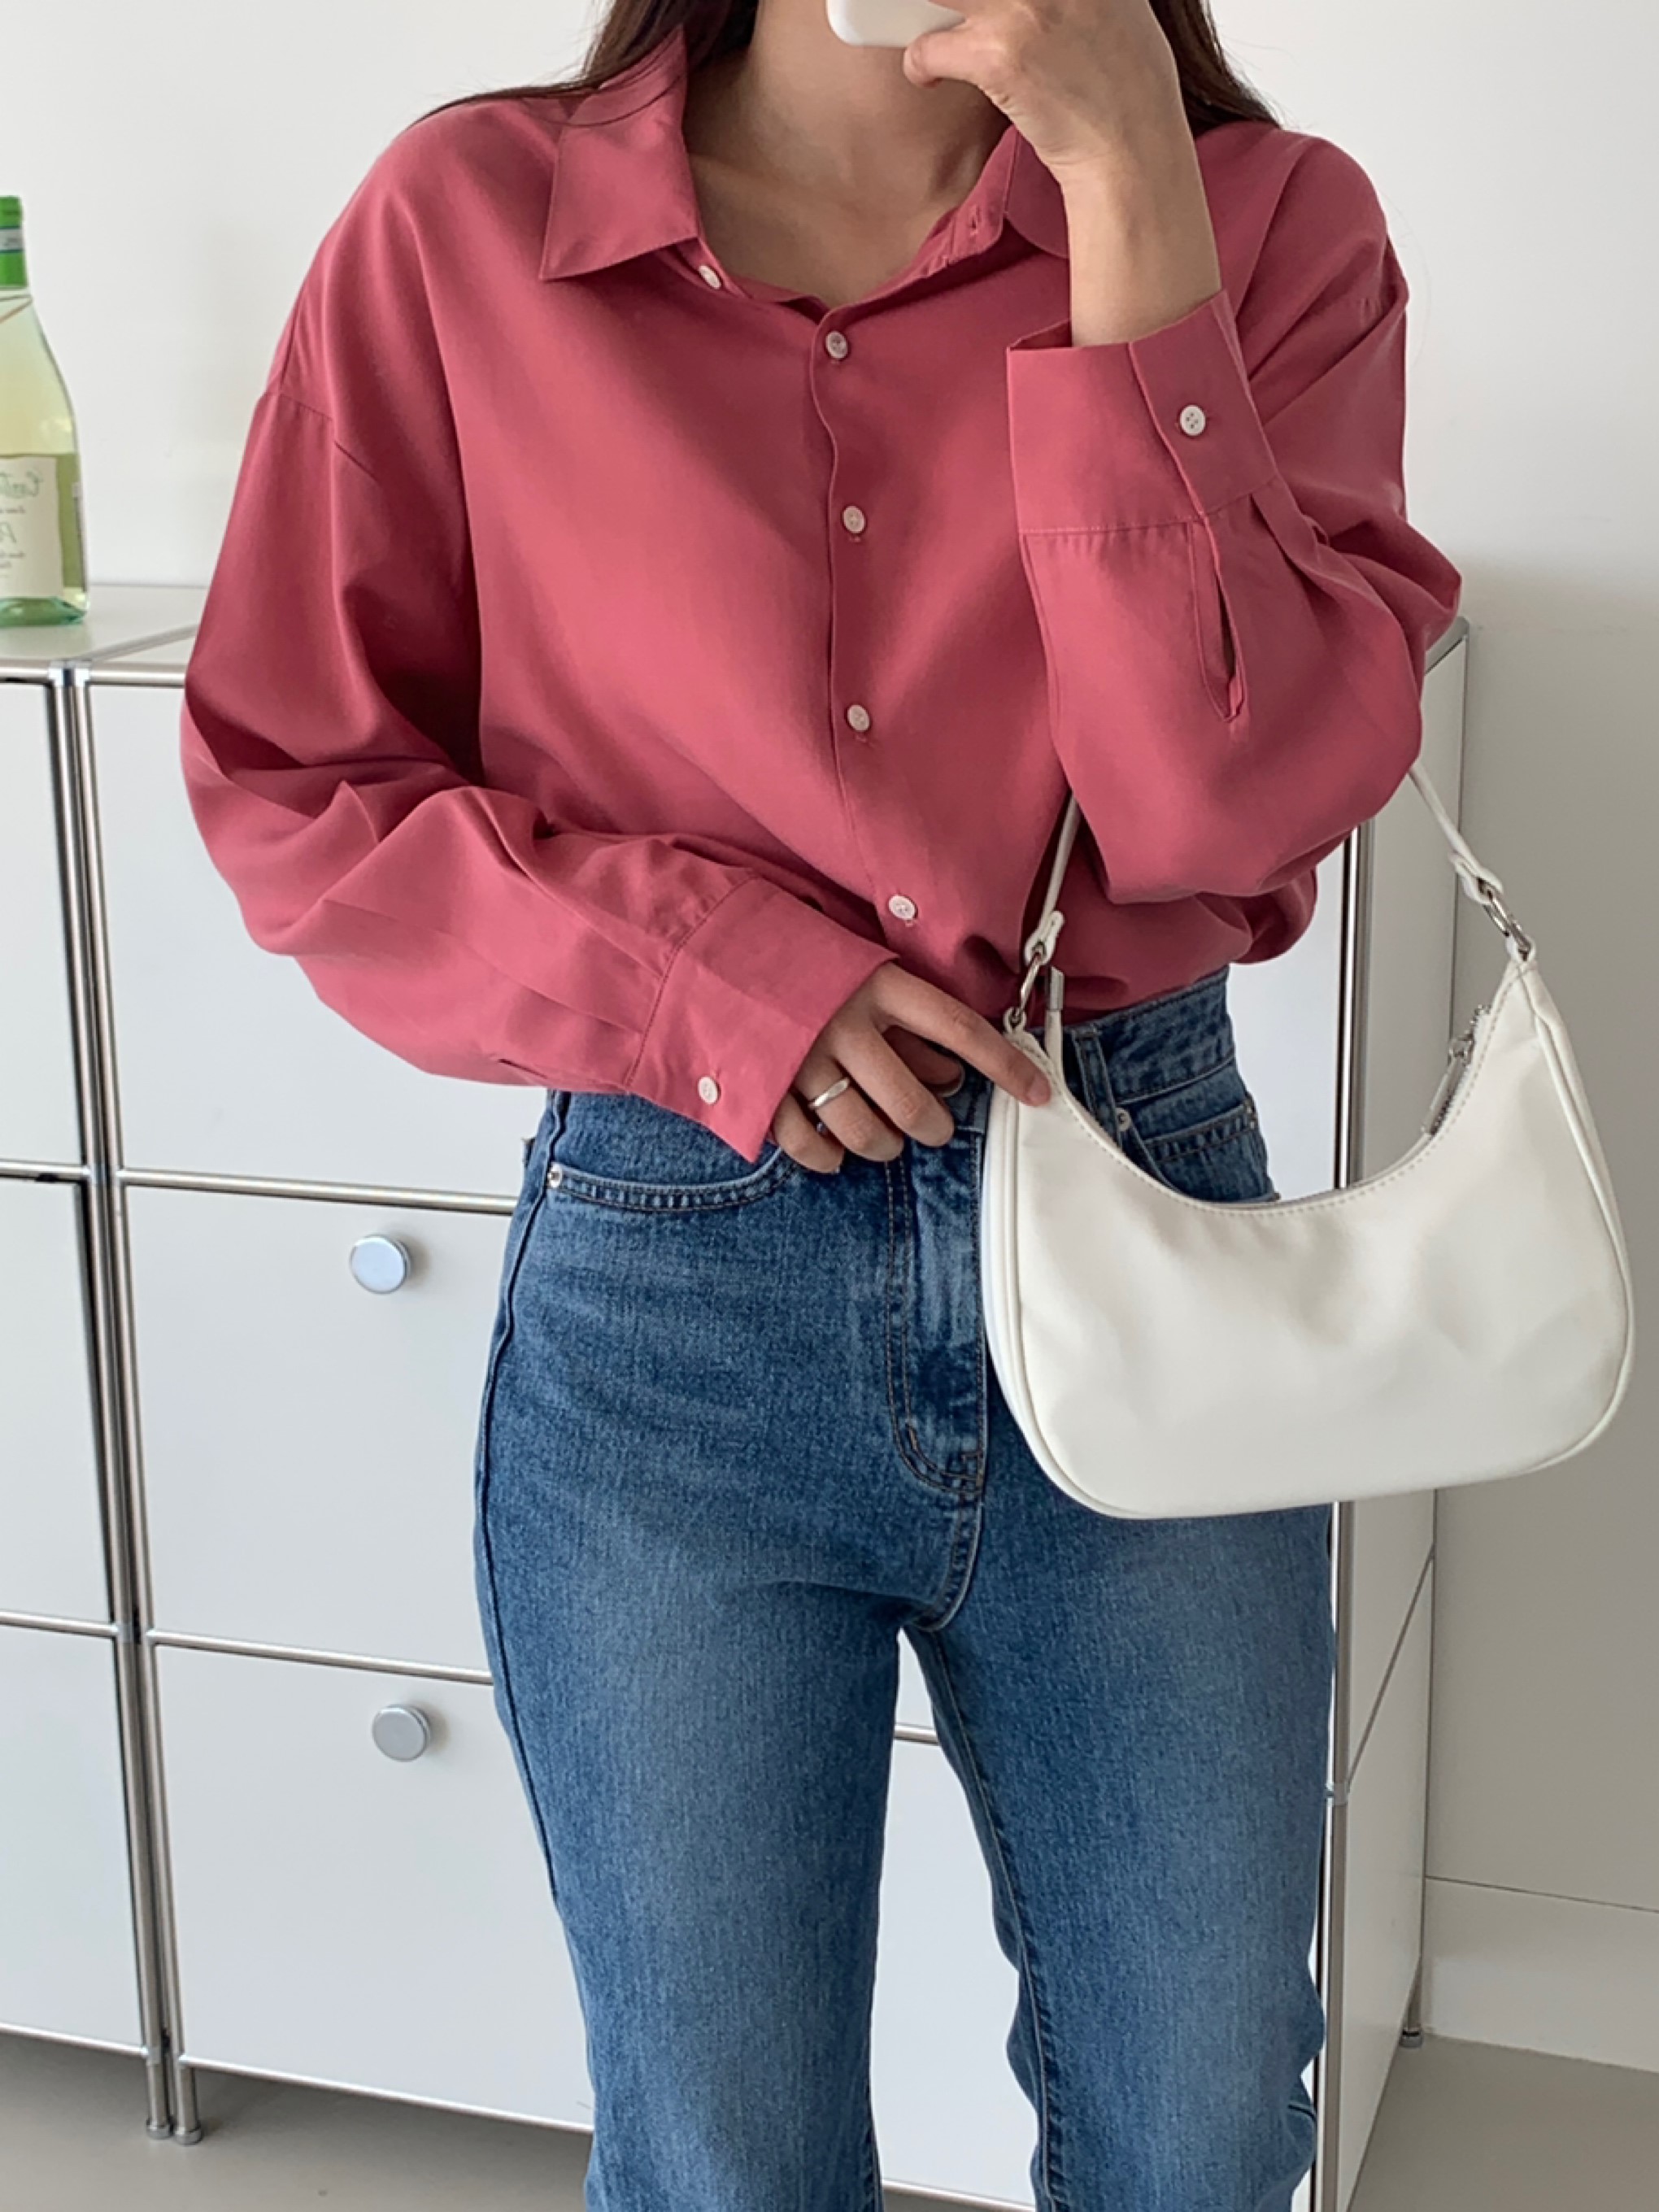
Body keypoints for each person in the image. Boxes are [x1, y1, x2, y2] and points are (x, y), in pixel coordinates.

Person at [177, 0, 1463, 2204]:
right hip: (679, 1286)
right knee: (726, 2162)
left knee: (1201, 2131)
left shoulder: (1268, 225)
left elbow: (1217, 809)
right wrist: (706, 975)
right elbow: (301, 780)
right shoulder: (464, 224)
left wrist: (1131, 202)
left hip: (1137, 1218)